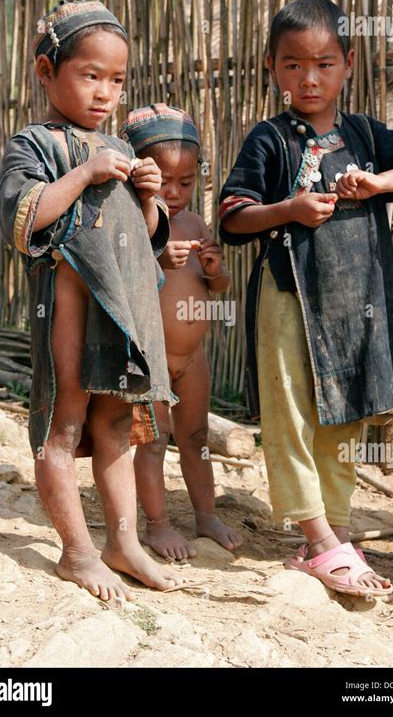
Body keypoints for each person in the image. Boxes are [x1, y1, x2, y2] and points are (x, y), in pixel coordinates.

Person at [219, 0, 393, 599]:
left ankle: (334, 528)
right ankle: (318, 539)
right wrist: (288, 210)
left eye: (323, 63)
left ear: (348, 63)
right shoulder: (269, 138)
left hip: (355, 301)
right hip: (288, 298)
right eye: (292, 65)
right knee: (291, 413)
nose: (308, 78)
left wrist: (381, 182)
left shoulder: (365, 134)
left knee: (344, 412)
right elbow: (232, 215)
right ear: (272, 68)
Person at [0, 1, 184, 600]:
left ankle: (122, 541)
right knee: (63, 424)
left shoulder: (120, 148)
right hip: (67, 312)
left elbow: (143, 244)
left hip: (120, 317)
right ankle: (76, 552)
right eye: (90, 74)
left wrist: (149, 197)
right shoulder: (34, 144)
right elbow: (24, 221)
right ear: (46, 71)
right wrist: (85, 173)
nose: (106, 92)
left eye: (118, 80)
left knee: (114, 428)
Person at [119, 105, 243, 560]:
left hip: (193, 360)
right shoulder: (131, 220)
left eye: (186, 183)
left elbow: (219, 286)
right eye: (163, 181)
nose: (174, 193)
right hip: (147, 356)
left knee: (196, 439)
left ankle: (205, 513)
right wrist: (156, 260)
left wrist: (214, 271)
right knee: (152, 442)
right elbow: (118, 281)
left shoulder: (193, 224)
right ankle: (157, 524)